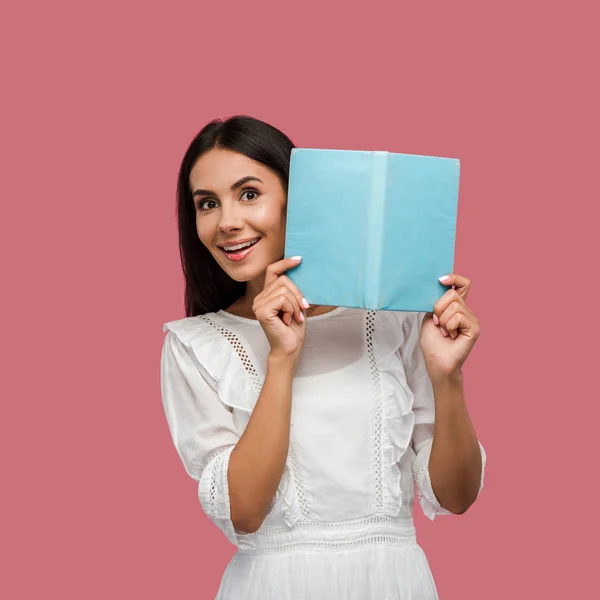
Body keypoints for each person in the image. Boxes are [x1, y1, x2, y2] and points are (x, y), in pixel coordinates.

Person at [160, 115, 487, 599]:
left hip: (393, 584)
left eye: (249, 193)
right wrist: (281, 357)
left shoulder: (393, 319)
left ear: (302, 198)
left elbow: (457, 497)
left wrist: (447, 377)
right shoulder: (194, 344)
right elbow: (245, 510)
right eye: (207, 203)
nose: (226, 220)